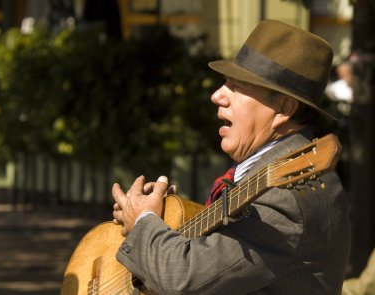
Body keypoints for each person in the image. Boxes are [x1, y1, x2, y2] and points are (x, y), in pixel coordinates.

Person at [112, 20, 351, 294]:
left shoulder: (284, 198)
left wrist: (142, 220)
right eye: (225, 83)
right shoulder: (263, 174)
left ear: (283, 107)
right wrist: (168, 217)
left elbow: (184, 278)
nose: (217, 96)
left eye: (237, 87)